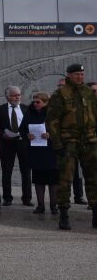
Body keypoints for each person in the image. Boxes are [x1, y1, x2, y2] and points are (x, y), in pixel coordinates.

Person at [45, 63, 97, 230]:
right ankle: (64, 214)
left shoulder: (89, 93)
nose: (80, 77)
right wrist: (57, 144)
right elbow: (52, 121)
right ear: (69, 75)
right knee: (65, 178)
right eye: (76, 74)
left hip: (89, 141)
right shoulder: (60, 94)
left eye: (81, 74)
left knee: (93, 178)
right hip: (69, 142)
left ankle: (95, 213)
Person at [21, 92, 58, 214]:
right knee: (38, 180)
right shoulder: (29, 113)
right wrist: (27, 135)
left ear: (46, 102)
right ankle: (40, 205)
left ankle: (54, 205)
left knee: (53, 181)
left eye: (38, 102)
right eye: (34, 101)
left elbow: (60, 129)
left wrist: (50, 134)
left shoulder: (52, 114)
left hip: (50, 151)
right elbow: (22, 129)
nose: (35, 104)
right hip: (36, 151)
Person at [0, 85, 31, 206]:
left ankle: (27, 198)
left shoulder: (26, 109)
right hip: (7, 144)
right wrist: (3, 134)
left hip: (23, 143)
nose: (17, 97)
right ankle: (7, 198)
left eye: (18, 95)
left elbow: (30, 126)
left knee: (26, 172)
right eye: (14, 95)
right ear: (7, 97)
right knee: (6, 171)